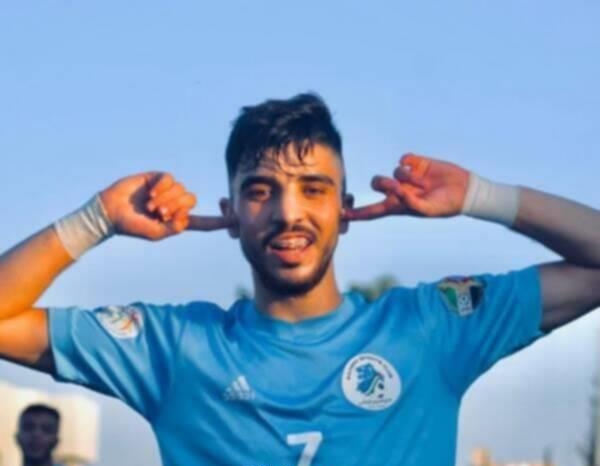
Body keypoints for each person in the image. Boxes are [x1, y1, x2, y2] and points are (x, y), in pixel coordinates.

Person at [0, 93, 598, 466]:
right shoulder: (174, 347)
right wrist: (97, 219)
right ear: (230, 215)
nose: (288, 213)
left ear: (345, 210)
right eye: (261, 191)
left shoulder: (430, 328)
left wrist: (480, 196)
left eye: (314, 189)